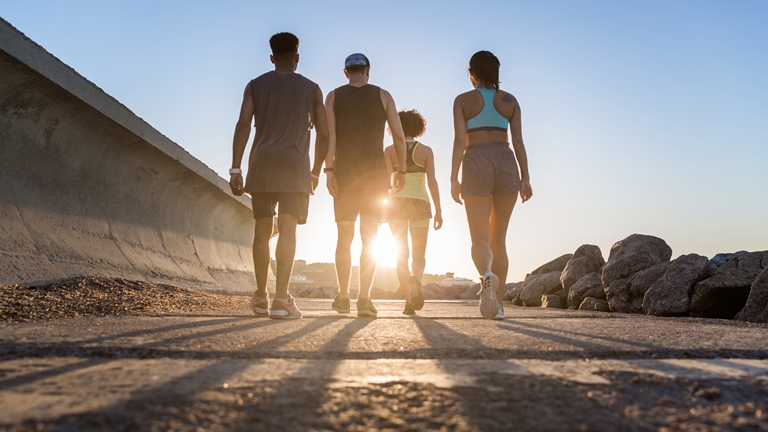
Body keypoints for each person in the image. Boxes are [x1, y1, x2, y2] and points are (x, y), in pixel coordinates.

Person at [229, 32, 328, 319]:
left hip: (262, 164)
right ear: (297, 57)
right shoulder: (312, 89)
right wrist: (316, 172)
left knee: (262, 230)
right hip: (295, 167)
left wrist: (236, 167)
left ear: (272, 57)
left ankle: (261, 296)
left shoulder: (255, 86)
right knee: (288, 229)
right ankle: (282, 300)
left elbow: (243, 125)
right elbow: (324, 134)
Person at [450, 50, 533, 320]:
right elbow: (518, 141)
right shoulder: (509, 101)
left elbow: (460, 142)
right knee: (499, 240)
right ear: (496, 73)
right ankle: (497, 306)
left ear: (471, 73)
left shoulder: (463, 100)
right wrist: (526, 177)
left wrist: (454, 177)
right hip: (506, 161)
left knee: (480, 238)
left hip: (475, 160)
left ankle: (486, 275)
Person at [325, 53, 406, 318]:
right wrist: (401, 169)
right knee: (369, 238)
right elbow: (398, 135)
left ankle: (343, 295)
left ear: (346, 73)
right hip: (375, 177)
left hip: (346, 175)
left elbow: (330, 136)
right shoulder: (383, 95)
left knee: (343, 238)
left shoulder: (334, 96)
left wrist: (329, 171)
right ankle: (364, 299)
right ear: (367, 71)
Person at [384, 110, 443, 315]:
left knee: (401, 254)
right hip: (420, 201)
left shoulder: (390, 151)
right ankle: (416, 279)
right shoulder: (426, 150)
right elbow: (433, 182)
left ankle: (408, 302)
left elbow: (384, 183)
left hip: (396, 202)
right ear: (418, 128)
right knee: (419, 254)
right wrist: (438, 210)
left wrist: (382, 208)